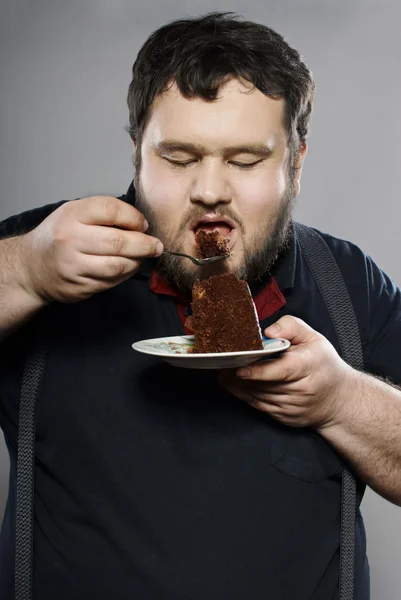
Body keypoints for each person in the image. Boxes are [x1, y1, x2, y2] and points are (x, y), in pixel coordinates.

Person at [0, 11, 400, 600]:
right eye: (179, 157)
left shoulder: (349, 283)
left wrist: (341, 399)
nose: (210, 189)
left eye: (244, 160)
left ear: (297, 162)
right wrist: (23, 271)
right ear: (137, 150)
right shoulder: (42, 249)